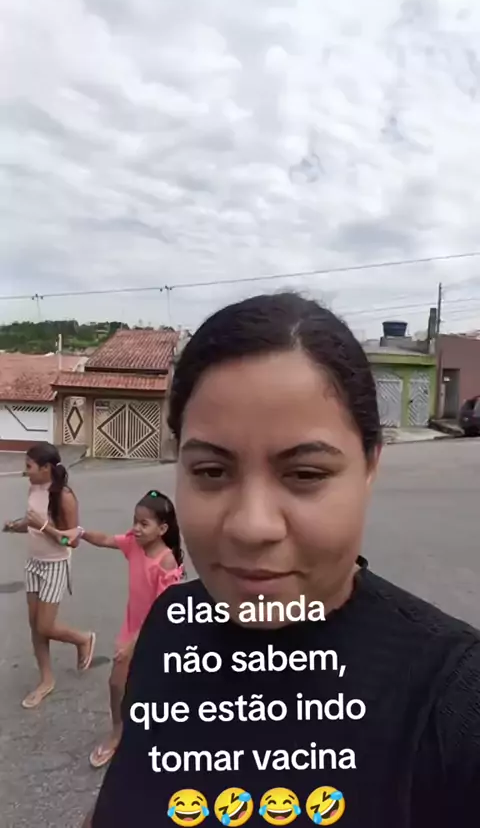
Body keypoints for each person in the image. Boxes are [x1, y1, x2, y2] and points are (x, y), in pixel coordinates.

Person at [83, 293, 480, 828]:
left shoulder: (454, 701)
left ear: (370, 466)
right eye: (211, 472)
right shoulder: (169, 626)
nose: (252, 526)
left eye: (305, 474)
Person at [65, 489, 184, 769]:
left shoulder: (165, 561)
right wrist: (81, 532)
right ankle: (118, 731)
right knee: (116, 684)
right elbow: (106, 539)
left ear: (162, 529)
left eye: (144, 523)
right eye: (135, 521)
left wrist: (134, 644)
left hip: (155, 635)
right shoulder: (134, 545)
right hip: (131, 631)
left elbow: (162, 612)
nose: (136, 528)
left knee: (155, 687)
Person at [3, 442, 95, 709]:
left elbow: (72, 541)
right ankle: (46, 680)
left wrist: (43, 526)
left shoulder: (64, 496)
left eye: (29, 466)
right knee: (35, 626)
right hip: (33, 563)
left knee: (45, 626)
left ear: (46, 468)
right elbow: (32, 523)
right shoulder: (34, 487)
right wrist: (16, 526)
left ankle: (83, 638)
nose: (25, 471)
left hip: (55, 565)